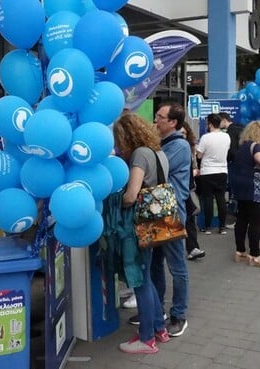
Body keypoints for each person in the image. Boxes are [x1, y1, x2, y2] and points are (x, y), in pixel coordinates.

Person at [113, 113, 170, 354]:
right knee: (149, 279)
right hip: (159, 224)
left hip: (141, 225)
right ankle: (159, 328)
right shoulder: (157, 151)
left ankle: (147, 339)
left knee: (141, 281)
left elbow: (131, 194)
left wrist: (119, 204)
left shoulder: (139, 155)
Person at [150, 101, 190, 337]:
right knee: (155, 263)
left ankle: (179, 314)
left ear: (173, 122)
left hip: (171, 212)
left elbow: (156, 170)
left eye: (160, 116)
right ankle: (157, 310)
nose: (156, 120)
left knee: (176, 266)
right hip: (156, 210)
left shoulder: (179, 145)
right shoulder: (164, 143)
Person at [230, 121, 260, 267]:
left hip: (239, 187)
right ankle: (255, 255)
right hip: (253, 189)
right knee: (255, 221)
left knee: (242, 219)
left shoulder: (242, 146)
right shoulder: (254, 146)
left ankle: (240, 251)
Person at [196, 113, 230, 234]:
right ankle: (222, 226)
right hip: (222, 170)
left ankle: (208, 226)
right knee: (221, 198)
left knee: (208, 199)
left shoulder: (205, 138)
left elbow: (199, 155)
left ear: (210, 124)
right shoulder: (226, 137)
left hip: (207, 171)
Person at [180, 121, 205, 260]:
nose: (182, 135)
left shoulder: (190, 148)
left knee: (190, 219)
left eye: (184, 133)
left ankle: (193, 248)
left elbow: (195, 166)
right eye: (180, 133)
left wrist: (194, 171)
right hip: (178, 189)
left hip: (189, 187)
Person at [219, 111, 244, 228]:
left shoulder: (230, 132)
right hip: (245, 164)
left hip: (235, 165)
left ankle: (233, 220)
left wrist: (229, 159)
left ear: (224, 120)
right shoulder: (241, 127)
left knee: (234, 193)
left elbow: (232, 150)